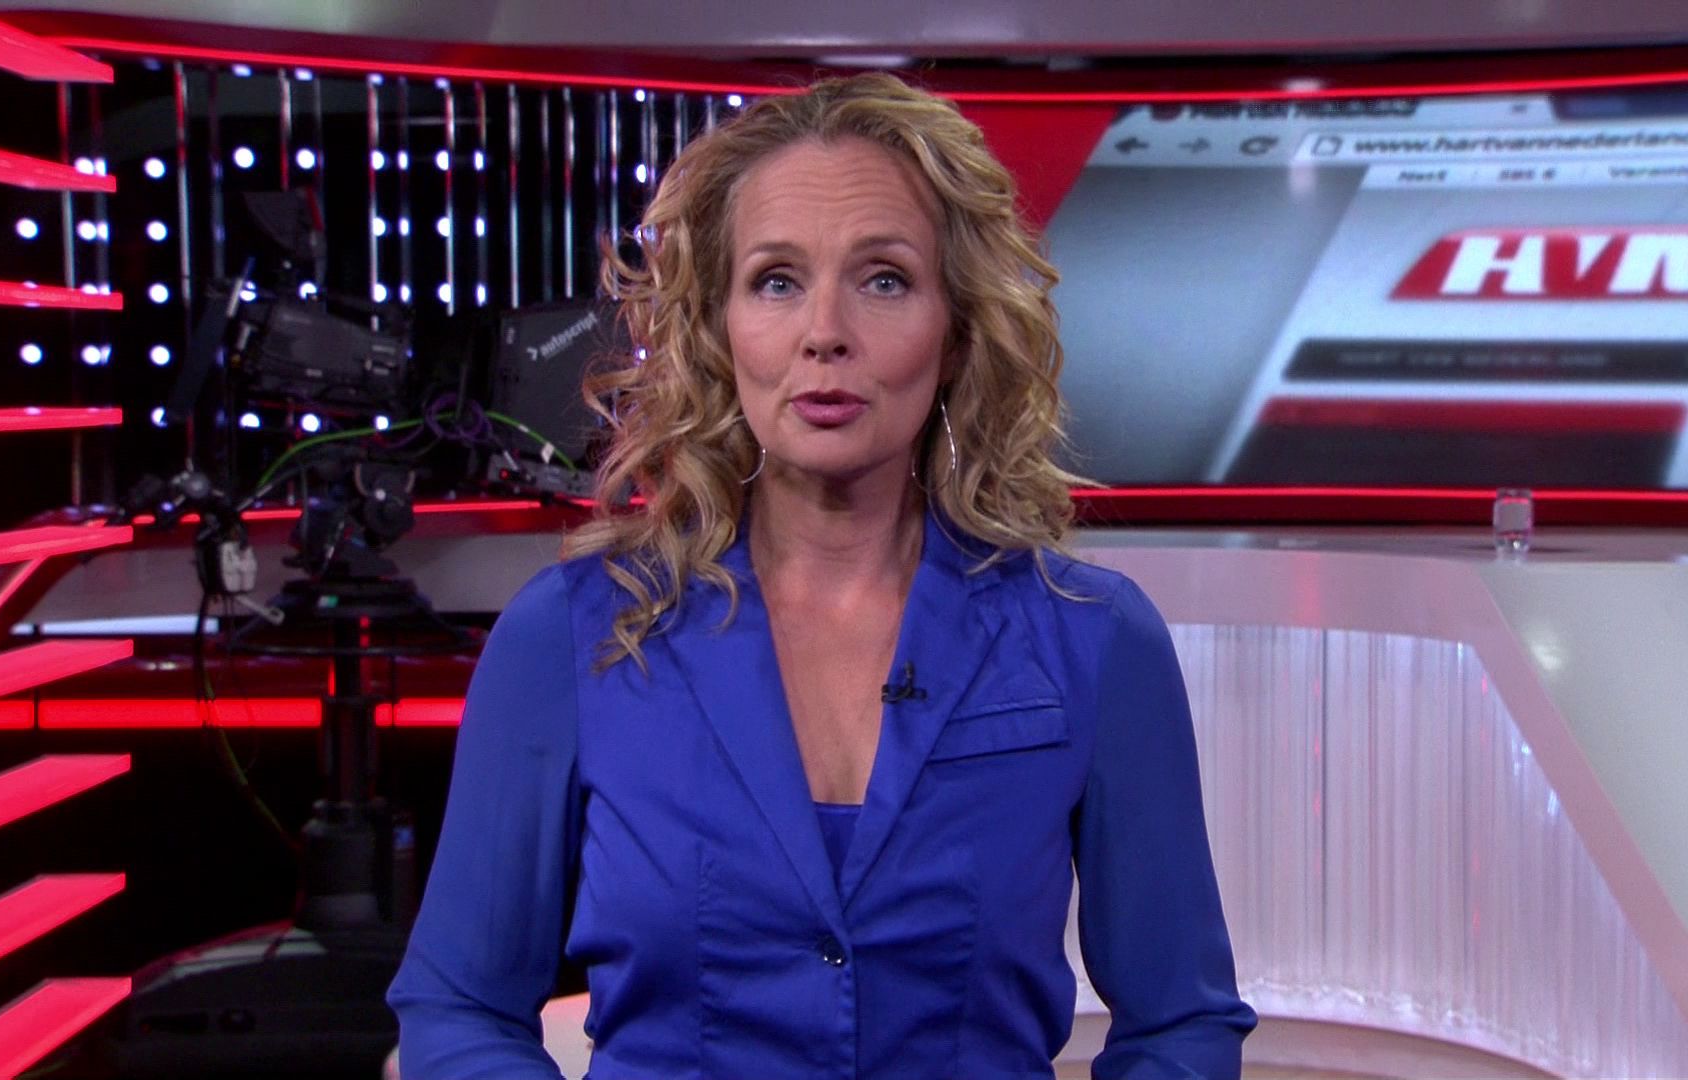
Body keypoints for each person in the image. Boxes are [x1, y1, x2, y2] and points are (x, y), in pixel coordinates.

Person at [387, 72, 1254, 1078]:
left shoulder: (1092, 639)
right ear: (717, 329)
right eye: (776, 281)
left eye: (884, 280)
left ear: (958, 329)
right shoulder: (574, 634)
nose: (825, 331)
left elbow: (1180, 1027)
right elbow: (458, 1009)